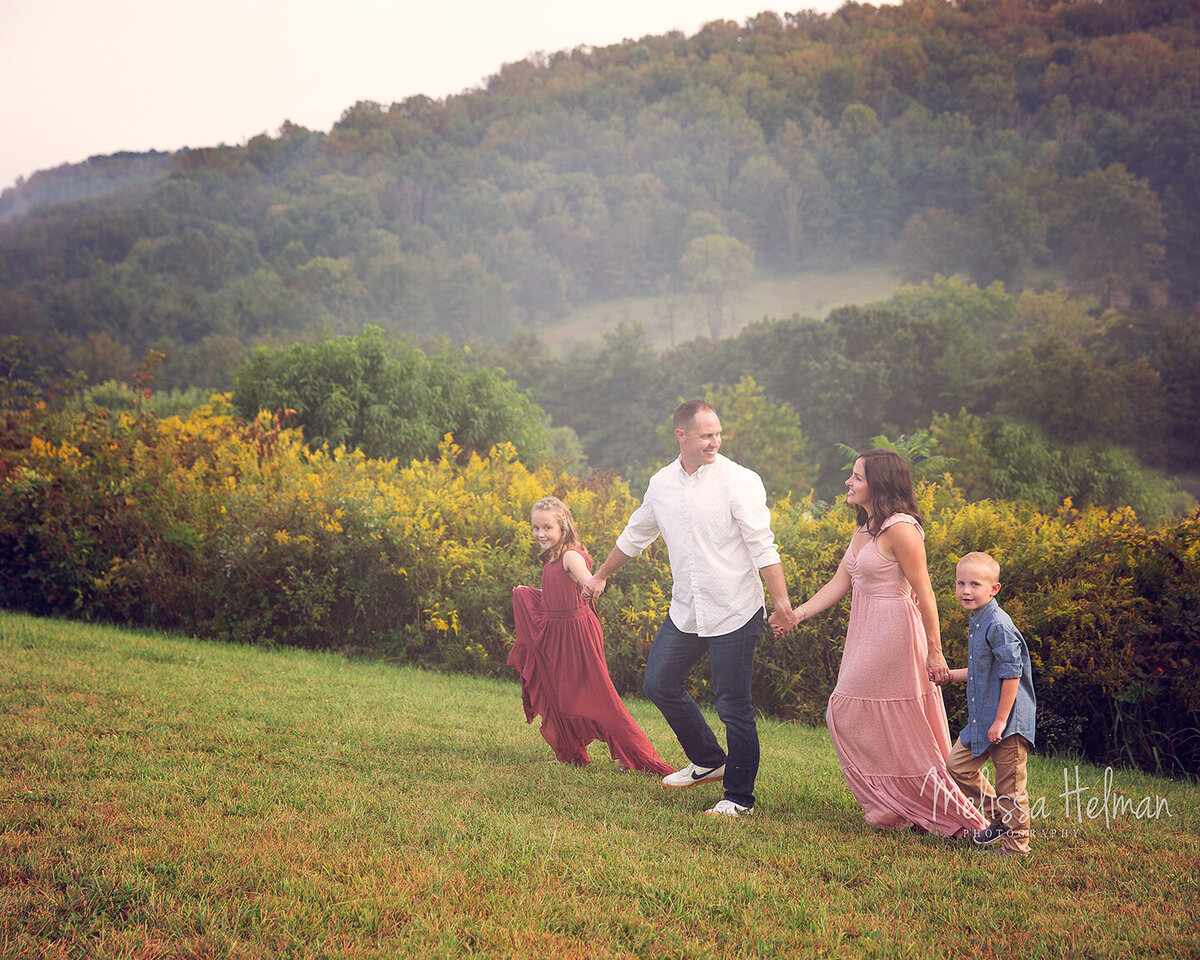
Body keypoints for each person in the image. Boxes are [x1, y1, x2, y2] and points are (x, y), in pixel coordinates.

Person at [582, 400, 798, 818]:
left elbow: (762, 545)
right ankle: (708, 759)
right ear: (681, 436)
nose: (714, 441)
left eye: (718, 433)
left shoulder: (740, 481)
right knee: (659, 683)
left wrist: (782, 604)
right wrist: (601, 576)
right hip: (687, 609)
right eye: (705, 435)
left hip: (735, 607)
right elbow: (636, 534)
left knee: (733, 704)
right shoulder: (662, 483)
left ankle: (739, 798)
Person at [791, 449, 986, 837]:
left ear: (878, 484)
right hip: (865, 631)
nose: (848, 482)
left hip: (894, 633)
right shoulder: (866, 528)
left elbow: (924, 590)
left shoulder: (902, 528)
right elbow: (839, 583)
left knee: (844, 710)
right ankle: (901, 808)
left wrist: (935, 649)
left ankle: (939, 812)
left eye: (857, 477)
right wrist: (796, 615)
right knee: (865, 718)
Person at [508, 496, 673, 775]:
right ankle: (569, 753)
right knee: (561, 694)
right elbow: (556, 597)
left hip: (577, 634)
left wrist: (590, 585)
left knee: (599, 695)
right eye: (536, 528)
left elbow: (586, 578)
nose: (540, 534)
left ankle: (635, 755)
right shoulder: (552, 559)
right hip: (558, 634)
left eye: (547, 527)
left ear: (563, 527)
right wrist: (528, 596)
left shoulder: (570, 556)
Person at [938, 552, 1036, 856]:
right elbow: (985, 669)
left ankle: (1016, 847)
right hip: (984, 718)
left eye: (975, 584)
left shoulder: (998, 624)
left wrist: (1000, 721)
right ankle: (999, 818)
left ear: (994, 589)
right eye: (960, 583)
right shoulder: (978, 620)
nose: (966, 591)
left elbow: (1011, 674)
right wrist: (951, 675)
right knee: (957, 765)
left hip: (1007, 722)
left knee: (1011, 788)